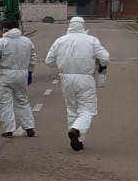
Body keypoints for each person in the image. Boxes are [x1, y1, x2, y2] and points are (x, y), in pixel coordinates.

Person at [45, 15, 110, 151]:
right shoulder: (91, 40)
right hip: (85, 78)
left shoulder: (60, 41)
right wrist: (100, 65)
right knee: (87, 109)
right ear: (83, 26)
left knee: (72, 109)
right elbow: (105, 57)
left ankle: (77, 140)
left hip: (66, 78)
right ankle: (77, 130)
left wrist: (63, 63)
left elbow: (49, 61)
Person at [0, 16, 36, 138]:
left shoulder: (1, 42)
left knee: (5, 102)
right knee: (23, 101)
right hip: (22, 73)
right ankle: (29, 127)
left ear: (5, 29)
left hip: (6, 74)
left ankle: (8, 129)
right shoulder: (26, 41)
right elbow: (32, 58)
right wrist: (29, 72)